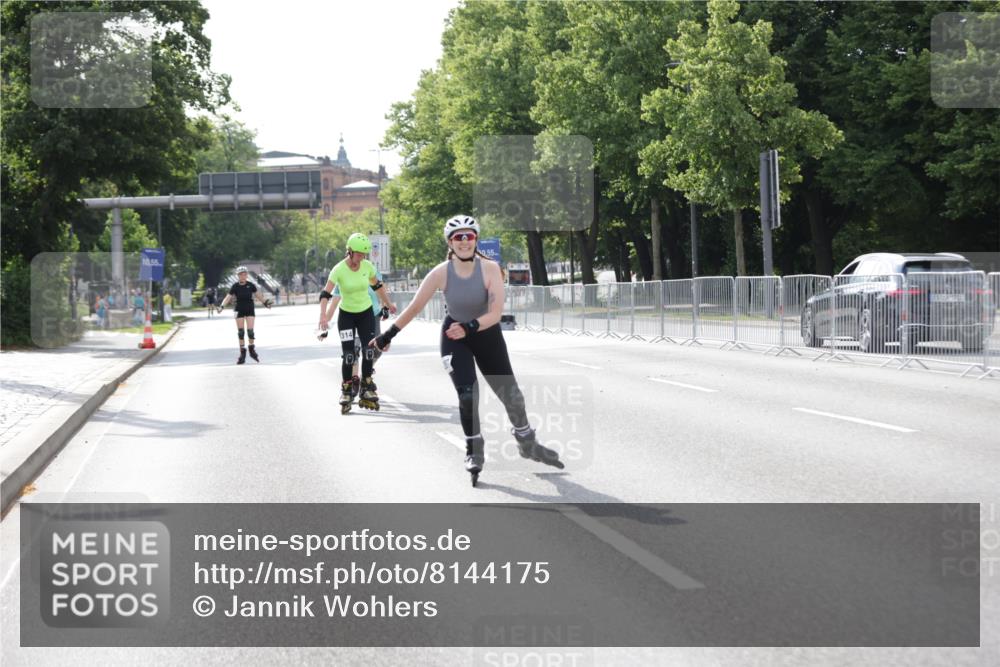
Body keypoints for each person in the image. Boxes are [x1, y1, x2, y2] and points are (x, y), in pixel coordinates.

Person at [371, 215, 563, 484]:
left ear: (476, 240)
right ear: (450, 242)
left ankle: (526, 440)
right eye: (458, 237)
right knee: (467, 395)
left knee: (512, 395)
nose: (464, 241)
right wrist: (386, 336)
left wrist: (470, 326)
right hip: (454, 337)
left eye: (469, 236)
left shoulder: (490, 269)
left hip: (486, 334)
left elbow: (495, 313)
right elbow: (415, 307)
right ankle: (474, 448)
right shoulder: (440, 273)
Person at [318, 233, 395, 412]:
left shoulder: (367, 266)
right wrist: (323, 315)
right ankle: (346, 390)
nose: (361, 258)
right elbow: (325, 294)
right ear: (350, 251)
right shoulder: (338, 269)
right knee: (349, 355)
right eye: (359, 254)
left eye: (364, 254)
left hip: (366, 313)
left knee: (369, 351)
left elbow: (377, 286)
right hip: (347, 316)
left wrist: (388, 303)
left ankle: (366, 386)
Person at [323, 265, 393, 402]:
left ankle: (366, 374)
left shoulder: (371, 270)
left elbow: (381, 290)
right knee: (352, 351)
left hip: (372, 315)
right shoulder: (342, 274)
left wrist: (386, 306)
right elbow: (334, 303)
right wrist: (325, 324)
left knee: (375, 350)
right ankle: (354, 380)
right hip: (351, 316)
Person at [217, 266, 272, 364]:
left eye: (245, 274)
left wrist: (266, 303)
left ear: (247, 275)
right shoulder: (235, 286)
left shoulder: (251, 285)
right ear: (238, 276)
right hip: (238, 309)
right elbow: (228, 297)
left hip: (249, 308)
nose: (243, 276)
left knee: (250, 332)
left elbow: (259, 295)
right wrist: (221, 306)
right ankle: (242, 354)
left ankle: (251, 349)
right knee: (241, 332)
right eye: (241, 274)